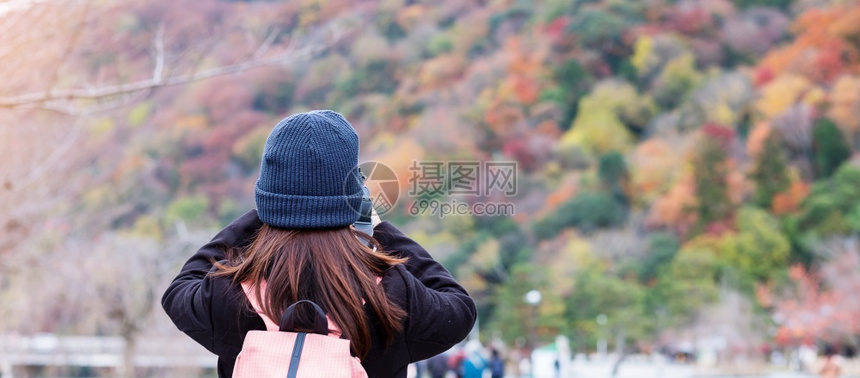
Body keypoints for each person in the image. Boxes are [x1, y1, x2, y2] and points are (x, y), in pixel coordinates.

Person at [161, 110, 477, 378]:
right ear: (353, 196)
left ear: (269, 197)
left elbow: (179, 289)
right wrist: (381, 230)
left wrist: (265, 213)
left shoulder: (228, 296)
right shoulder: (391, 298)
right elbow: (459, 308)